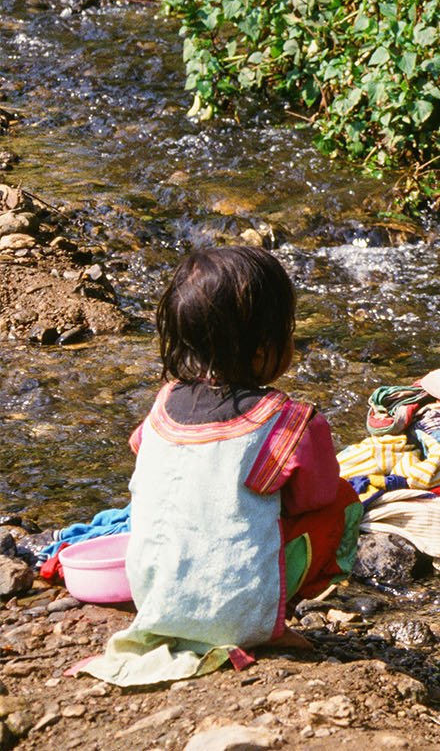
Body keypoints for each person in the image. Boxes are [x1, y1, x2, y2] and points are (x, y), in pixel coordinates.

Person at [78, 246, 360, 685]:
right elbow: (317, 497)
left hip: (154, 600)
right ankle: (268, 623)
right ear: (266, 345)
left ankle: (211, 612)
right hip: (239, 617)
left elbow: (151, 459)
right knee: (344, 501)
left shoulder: (164, 405)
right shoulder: (289, 420)